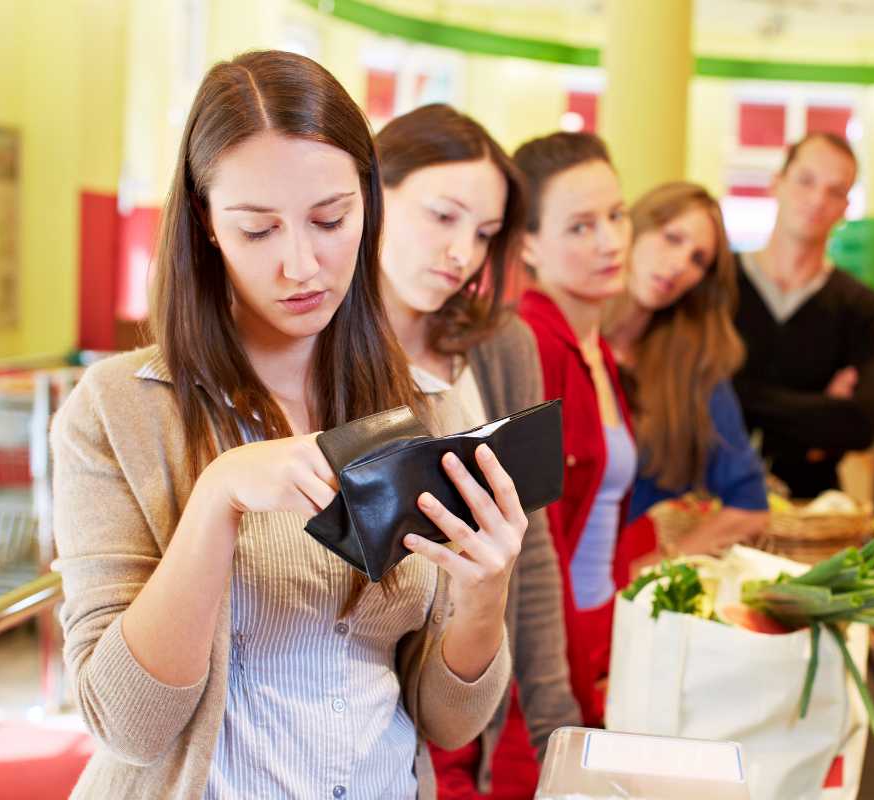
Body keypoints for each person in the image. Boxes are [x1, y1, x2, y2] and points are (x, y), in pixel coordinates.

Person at [51, 52, 522, 799]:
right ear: (206, 223)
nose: (302, 265)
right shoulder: (119, 408)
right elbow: (129, 726)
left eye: (331, 220)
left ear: (368, 205)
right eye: (258, 230)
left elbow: (446, 720)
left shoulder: (428, 407)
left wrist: (488, 591)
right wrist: (216, 497)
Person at [373, 103, 579, 800]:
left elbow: (535, 544)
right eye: (442, 216)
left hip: (467, 696)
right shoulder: (315, 350)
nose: (462, 252)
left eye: (485, 233)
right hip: (359, 718)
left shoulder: (500, 345)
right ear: (371, 192)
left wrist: (557, 727)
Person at [513, 132, 634, 727]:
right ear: (528, 243)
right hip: (559, 647)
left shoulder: (594, 345)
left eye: (616, 216)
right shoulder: (534, 344)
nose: (610, 241)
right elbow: (535, 541)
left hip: (602, 627)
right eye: (580, 227)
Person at [603, 182, 769, 583]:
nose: (679, 264)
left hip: (621, 591)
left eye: (698, 259)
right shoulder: (566, 337)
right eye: (672, 238)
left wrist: (654, 567)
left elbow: (750, 506)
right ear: (634, 228)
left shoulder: (693, 367)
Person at [732, 132, 874, 499]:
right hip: (707, 502)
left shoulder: (862, 307)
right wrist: (821, 411)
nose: (818, 200)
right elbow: (699, 398)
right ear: (777, 184)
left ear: (846, 207)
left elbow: (862, 425)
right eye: (806, 181)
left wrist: (742, 398)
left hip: (811, 509)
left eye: (835, 191)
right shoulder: (719, 286)